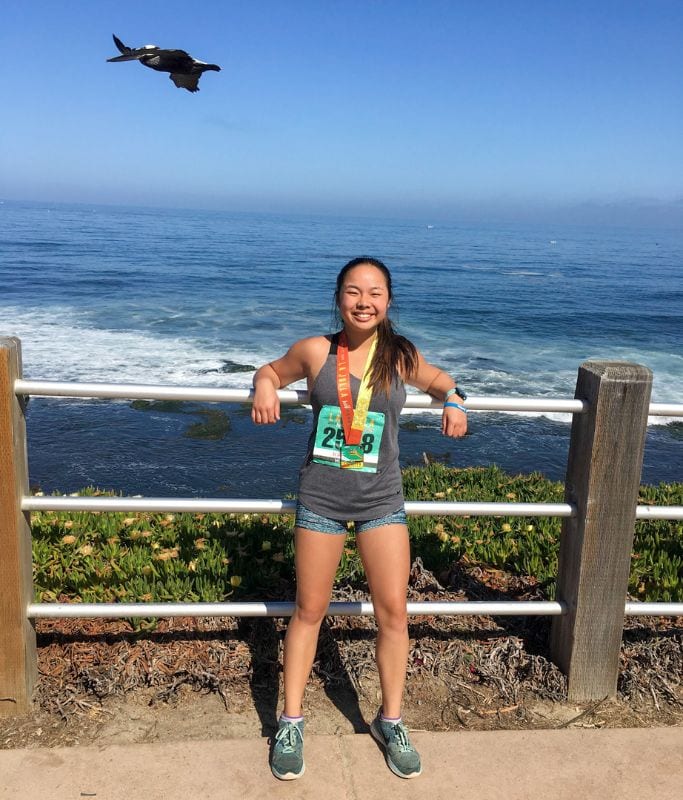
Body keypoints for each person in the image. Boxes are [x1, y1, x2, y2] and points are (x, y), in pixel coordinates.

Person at [251, 256, 467, 780]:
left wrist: (455, 399)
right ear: (339, 298)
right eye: (353, 291)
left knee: (394, 612)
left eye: (374, 292)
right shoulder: (316, 351)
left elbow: (440, 379)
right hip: (321, 498)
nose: (363, 301)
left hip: (381, 502)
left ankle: (390, 721)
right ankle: (291, 721)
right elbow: (273, 370)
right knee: (308, 611)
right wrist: (262, 386)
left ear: (388, 300)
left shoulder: (400, 355)